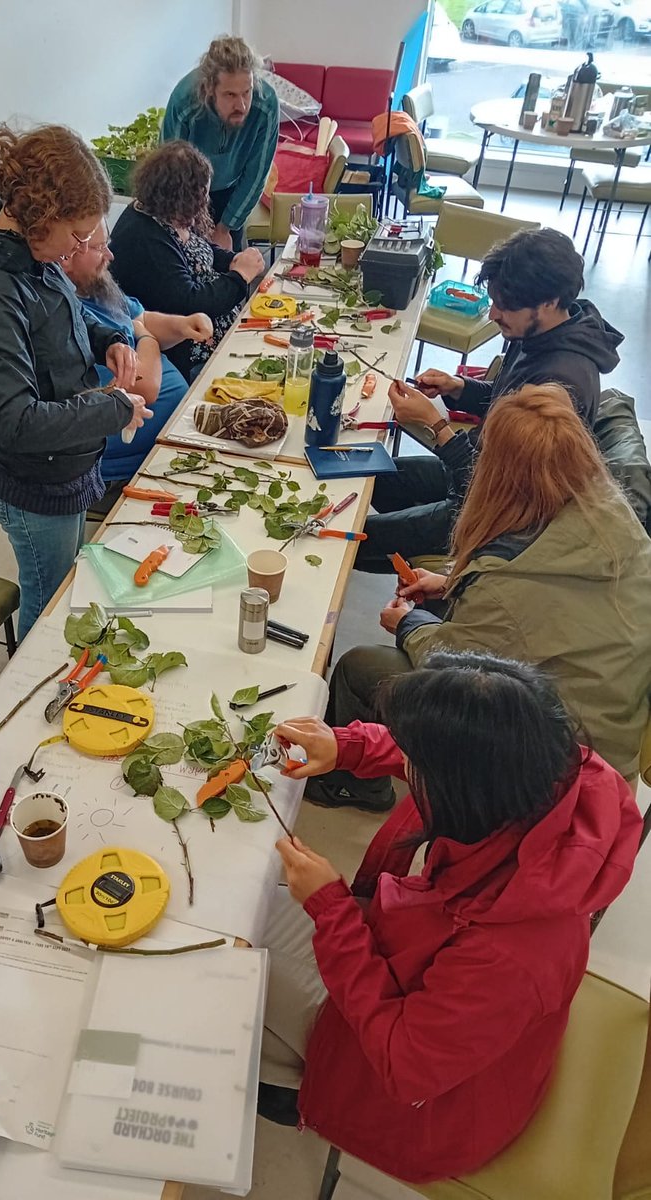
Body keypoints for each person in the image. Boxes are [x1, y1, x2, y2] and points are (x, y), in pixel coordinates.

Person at [258, 651, 641, 1185]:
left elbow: (405, 1064)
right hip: (421, 978)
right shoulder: (543, 773)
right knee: (257, 918)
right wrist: (348, 745)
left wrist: (332, 911)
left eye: (416, 764)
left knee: (234, 956)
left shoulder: (514, 952)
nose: (408, 767)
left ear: (458, 787)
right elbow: (454, 748)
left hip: (424, 1109)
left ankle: (285, 1085)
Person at [312, 383, 651, 812]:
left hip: (557, 760)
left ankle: (354, 785)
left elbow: (454, 661)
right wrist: (453, 580)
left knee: (361, 665)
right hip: (607, 723)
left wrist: (409, 624)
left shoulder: (507, 590)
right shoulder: (610, 511)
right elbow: (546, 593)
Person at [0, 122, 151, 639]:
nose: (81, 248)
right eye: (80, 235)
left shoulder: (29, 253)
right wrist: (115, 410)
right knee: (47, 605)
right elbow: (17, 421)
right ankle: (29, 692)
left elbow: (58, 319)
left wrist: (107, 339)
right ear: (42, 216)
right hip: (32, 482)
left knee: (65, 581)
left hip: (60, 468)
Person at [356, 227, 623, 568]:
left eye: (505, 306)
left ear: (550, 301)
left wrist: (435, 425)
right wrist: (458, 387)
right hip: (479, 469)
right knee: (365, 475)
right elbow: (506, 405)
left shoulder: (560, 383)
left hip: (497, 511)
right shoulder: (539, 331)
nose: (493, 313)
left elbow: (496, 486)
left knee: (358, 539)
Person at [61, 220, 214, 487]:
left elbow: (140, 317)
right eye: (99, 247)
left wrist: (184, 324)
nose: (110, 255)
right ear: (66, 256)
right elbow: (146, 387)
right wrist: (146, 338)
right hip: (130, 468)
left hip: (166, 443)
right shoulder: (69, 314)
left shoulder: (94, 284)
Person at [109, 141, 265, 380]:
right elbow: (189, 302)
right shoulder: (143, 236)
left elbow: (200, 250)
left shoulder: (165, 214)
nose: (204, 203)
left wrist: (234, 260)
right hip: (190, 354)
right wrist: (240, 277)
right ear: (178, 196)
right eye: (200, 196)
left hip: (214, 333)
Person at [162, 35, 279, 251]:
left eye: (247, 92)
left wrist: (225, 228)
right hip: (189, 192)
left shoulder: (267, 105)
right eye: (230, 95)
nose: (242, 105)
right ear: (209, 89)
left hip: (233, 191)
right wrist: (185, 226)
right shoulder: (184, 102)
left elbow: (256, 174)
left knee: (231, 268)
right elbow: (171, 173)